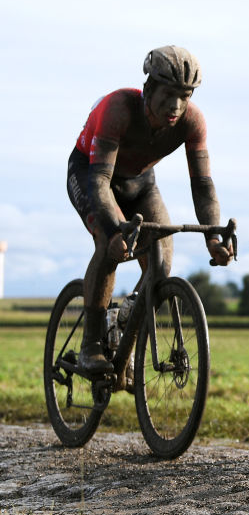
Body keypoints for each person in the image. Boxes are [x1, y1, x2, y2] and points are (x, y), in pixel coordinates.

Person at [67, 45, 234, 376]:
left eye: (184, 96)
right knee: (109, 246)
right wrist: (114, 231)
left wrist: (213, 237)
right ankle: (90, 347)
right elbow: (100, 182)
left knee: (162, 264)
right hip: (92, 175)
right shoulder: (119, 109)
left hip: (141, 183)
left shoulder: (192, 121)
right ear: (147, 90)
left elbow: (202, 186)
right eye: (168, 94)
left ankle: (125, 322)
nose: (175, 105)